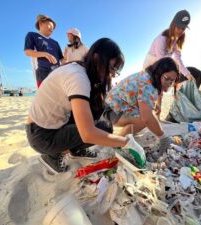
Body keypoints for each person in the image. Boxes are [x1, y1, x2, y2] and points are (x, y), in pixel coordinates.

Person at [25, 38, 146, 175]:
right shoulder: (78, 77)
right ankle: (52, 156)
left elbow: (98, 110)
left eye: (116, 71)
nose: (112, 75)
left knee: (103, 125)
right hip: (41, 135)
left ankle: (75, 150)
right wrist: (126, 143)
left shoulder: (81, 70)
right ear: (96, 58)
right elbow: (88, 134)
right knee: (100, 129)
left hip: (50, 126)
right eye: (112, 68)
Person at [105, 57, 179, 159]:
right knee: (145, 119)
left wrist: (156, 105)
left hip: (117, 107)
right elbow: (147, 118)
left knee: (148, 115)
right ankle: (118, 142)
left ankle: (125, 136)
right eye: (167, 79)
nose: (169, 83)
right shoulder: (147, 84)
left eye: (172, 81)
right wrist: (163, 137)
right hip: (111, 111)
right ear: (159, 72)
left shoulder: (149, 77)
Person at [143, 10, 196, 119]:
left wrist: (188, 74)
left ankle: (156, 117)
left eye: (183, 28)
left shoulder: (175, 42)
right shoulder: (161, 39)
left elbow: (178, 60)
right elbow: (161, 61)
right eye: (178, 27)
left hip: (163, 66)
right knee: (154, 92)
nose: (180, 30)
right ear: (173, 24)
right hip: (151, 67)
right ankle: (148, 117)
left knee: (161, 92)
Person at [24, 14, 64, 88]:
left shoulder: (55, 43)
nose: (52, 29)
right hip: (42, 73)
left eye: (53, 28)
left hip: (57, 74)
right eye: (50, 26)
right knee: (45, 97)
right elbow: (28, 52)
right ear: (40, 23)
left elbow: (62, 59)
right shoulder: (32, 35)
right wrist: (45, 54)